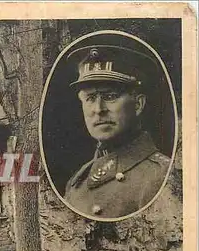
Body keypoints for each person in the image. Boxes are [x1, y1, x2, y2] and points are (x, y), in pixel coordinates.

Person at [64, 42, 171, 219]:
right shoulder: (77, 182)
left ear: (138, 104)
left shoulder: (162, 176)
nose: (98, 109)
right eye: (90, 98)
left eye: (110, 96)